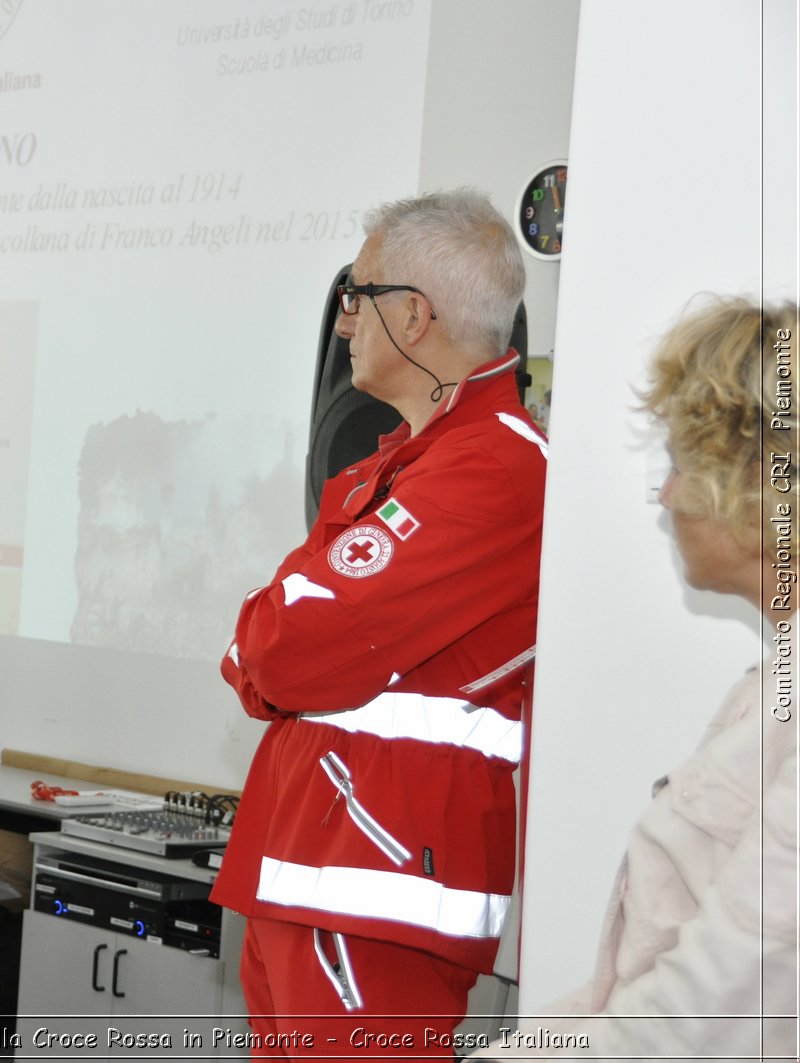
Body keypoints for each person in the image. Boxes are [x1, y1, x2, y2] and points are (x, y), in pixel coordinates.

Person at [212, 189, 546, 1056]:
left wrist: (270, 648)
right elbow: (266, 643)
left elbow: (289, 644)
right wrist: (269, 648)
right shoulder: (392, 464)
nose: (343, 322)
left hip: (375, 885)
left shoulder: (497, 469)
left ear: (413, 313)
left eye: (358, 295)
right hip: (312, 869)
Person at [476, 297, 798, 1060]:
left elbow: (725, 989)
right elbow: (634, 993)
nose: (666, 495)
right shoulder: (771, 681)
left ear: (752, 484)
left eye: (681, 464)